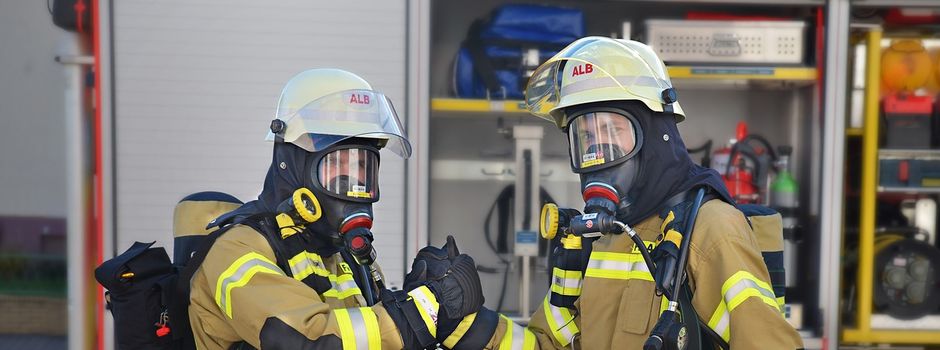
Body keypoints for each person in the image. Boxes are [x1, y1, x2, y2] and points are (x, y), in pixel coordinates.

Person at [407, 37, 803, 349]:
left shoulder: (711, 232)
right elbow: (547, 345)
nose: (599, 153)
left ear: (657, 134)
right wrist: (465, 323)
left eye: (613, 132)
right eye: (586, 138)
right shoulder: (594, 239)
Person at [187, 68, 484, 349]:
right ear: (293, 166)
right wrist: (429, 309)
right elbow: (306, 340)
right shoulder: (238, 251)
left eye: (361, 167)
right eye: (336, 164)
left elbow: (372, 331)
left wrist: (417, 294)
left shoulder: (347, 256)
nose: (351, 181)